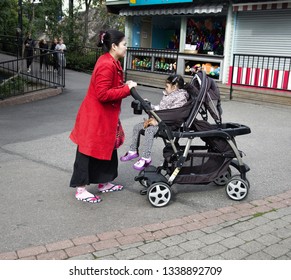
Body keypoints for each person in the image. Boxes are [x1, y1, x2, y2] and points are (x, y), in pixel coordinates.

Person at [69, 29, 137, 203]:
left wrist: (125, 85)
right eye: (124, 44)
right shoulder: (107, 64)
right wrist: (126, 89)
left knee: (107, 148)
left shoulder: (110, 61)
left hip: (104, 116)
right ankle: (81, 189)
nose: (126, 47)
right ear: (114, 46)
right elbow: (103, 94)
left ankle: (104, 182)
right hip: (95, 117)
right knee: (88, 150)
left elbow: (110, 86)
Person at [120, 74, 189, 171]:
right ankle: (133, 150)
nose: (165, 88)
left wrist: (157, 120)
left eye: (167, 86)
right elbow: (161, 108)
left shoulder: (180, 97)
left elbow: (174, 114)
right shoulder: (169, 95)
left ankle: (146, 157)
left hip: (168, 124)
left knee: (149, 131)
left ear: (174, 87)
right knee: (137, 127)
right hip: (161, 120)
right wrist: (150, 106)